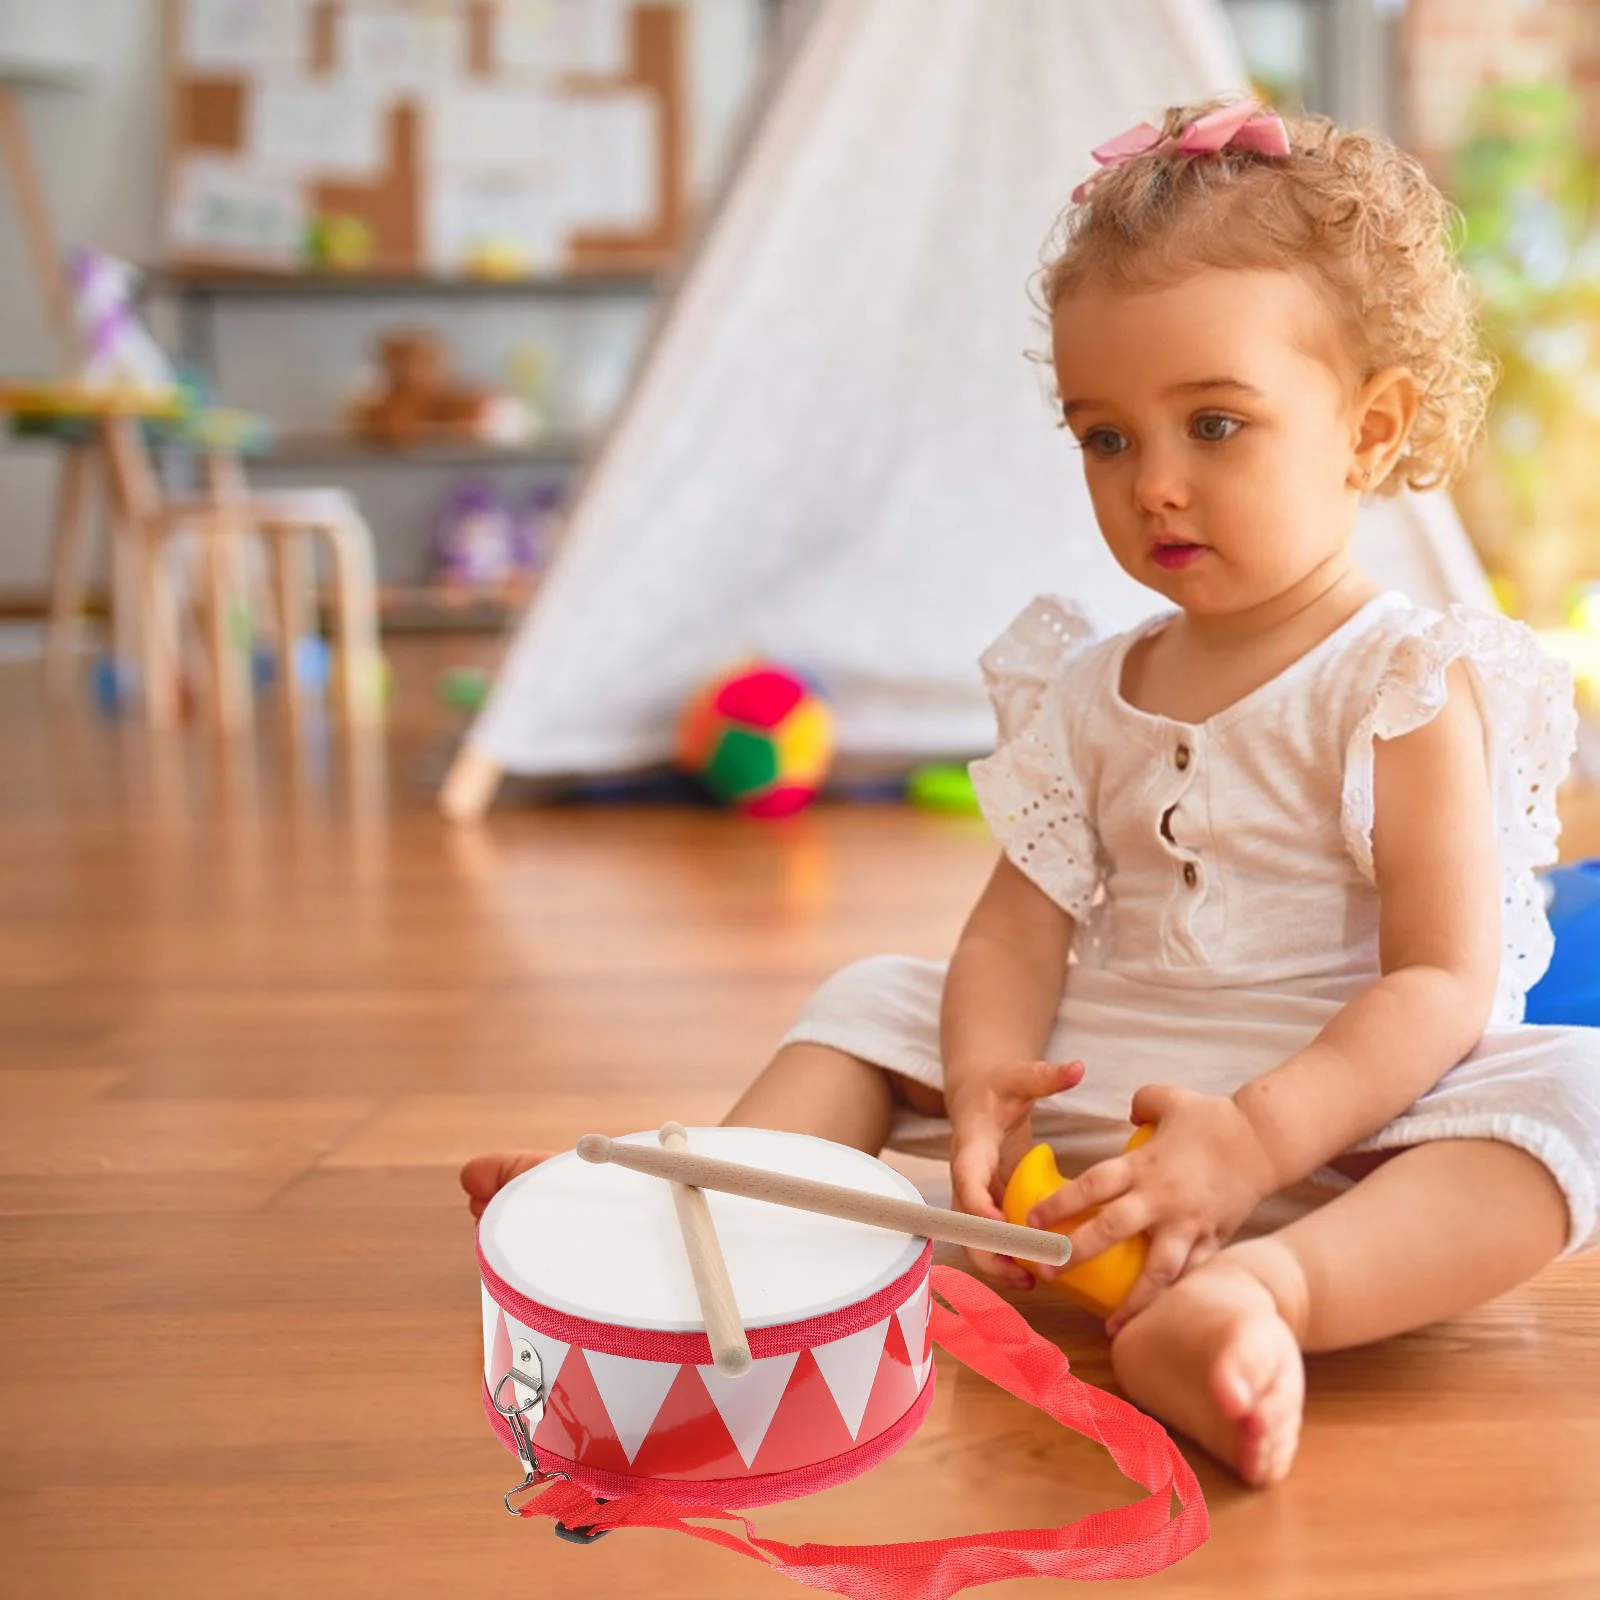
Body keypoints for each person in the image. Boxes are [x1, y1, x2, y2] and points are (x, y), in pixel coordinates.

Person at [462, 98, 1600, 1488]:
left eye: (1216, 425)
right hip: (1096, 1107)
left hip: (1338, 1125)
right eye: (1105, 439)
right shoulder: (1093, 680)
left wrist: (1254, 1137)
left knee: (1572, 1095)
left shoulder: (1409, 680)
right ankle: (717, 1214)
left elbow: (1437, 983)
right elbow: (1017, 922)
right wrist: (988, 1075)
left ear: (1370, 432)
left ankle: (1265, 1297)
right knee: (873, 997)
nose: (1155, 487)